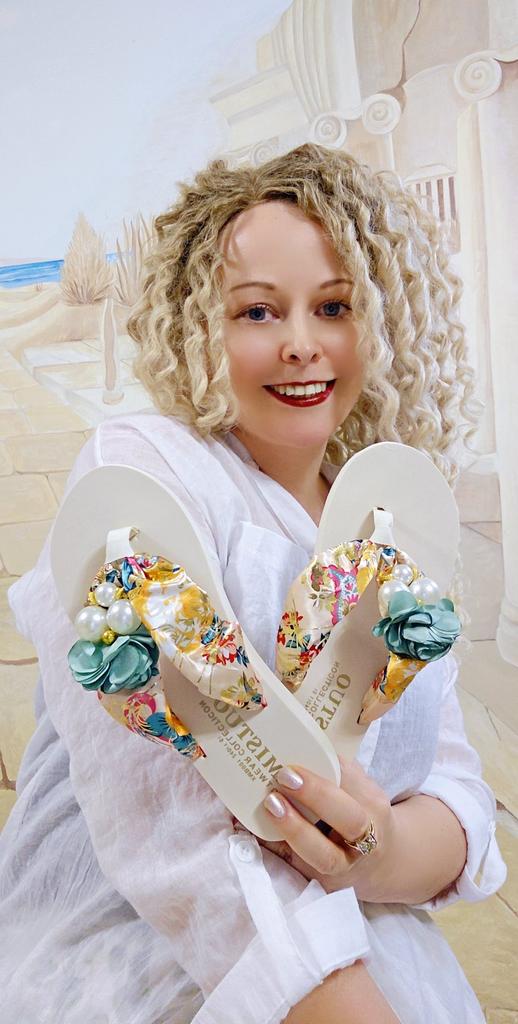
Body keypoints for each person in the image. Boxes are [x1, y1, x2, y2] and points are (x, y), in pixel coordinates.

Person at [1, 143, 507, 1023]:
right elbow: (166, 828)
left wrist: (376, 849)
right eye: (258, 311)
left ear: (381, 321)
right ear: (199, 323)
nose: (301, 343)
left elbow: (457, 794)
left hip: (374, 944)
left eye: (335, 306)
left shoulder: (391, 522)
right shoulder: (145, 471)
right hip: (150, 950)